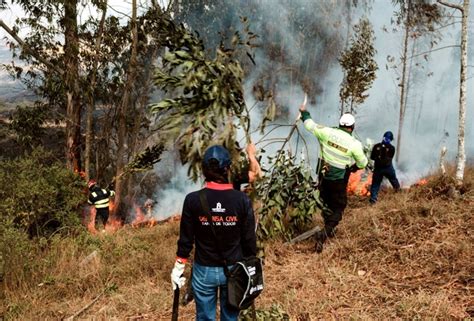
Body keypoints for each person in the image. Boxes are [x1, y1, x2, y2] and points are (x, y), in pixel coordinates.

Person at [171, 145, 257, 321]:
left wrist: (179, 267)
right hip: (234, 269)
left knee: (204, 318)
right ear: (227, 169)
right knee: (230, 317)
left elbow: (186, 240)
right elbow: (249, 240)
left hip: (203, 271)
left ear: (203, 170)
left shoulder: (192, 200)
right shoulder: (242, 200)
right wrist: (250, 266)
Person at [298, 104, 368, 253]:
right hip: (338, 181)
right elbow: (363, 163)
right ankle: (325, 233)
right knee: (338, 207)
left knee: (325, 203)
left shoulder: (327, 132)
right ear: (352, 127)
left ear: (340, 124)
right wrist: (354, 167)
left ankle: (327, 229)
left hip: (323, 177)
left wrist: (304, 113)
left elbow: (309, 125)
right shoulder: (354, 144)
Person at [369, 131, 400, 204]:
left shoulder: (376, 146)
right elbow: (391, 157)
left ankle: (373, 199)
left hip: (378, 169)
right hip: (388, 168)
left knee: (375, 184)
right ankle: (398, 192)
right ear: (391, 139)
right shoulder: (392, 148)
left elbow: (372, 157)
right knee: (393, 179)